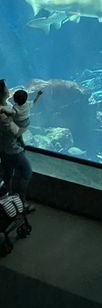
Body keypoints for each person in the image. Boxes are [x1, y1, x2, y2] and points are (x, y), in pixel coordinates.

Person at [0, 79, 34, 212]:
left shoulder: (6, 106)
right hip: (11, 150)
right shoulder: (4, 115)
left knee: (7, 175)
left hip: (3, 148)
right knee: (26, 171)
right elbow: (16, 132)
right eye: (5, 88)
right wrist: (26, 125)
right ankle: (21, 203)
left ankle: (8, 205)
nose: (8, 90)